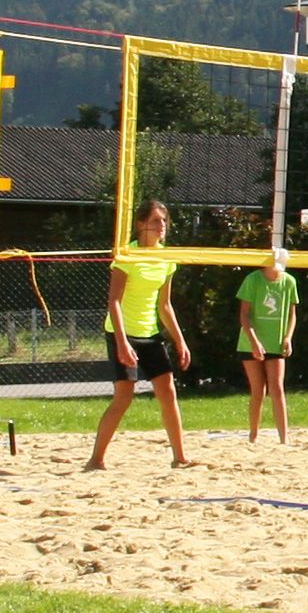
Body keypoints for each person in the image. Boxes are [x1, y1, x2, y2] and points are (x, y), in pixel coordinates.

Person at [84, 199, 193, 470]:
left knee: (168, 391)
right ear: (141, 224)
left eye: (164, 221)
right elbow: (114, 302)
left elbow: (165, 305)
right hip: (122, 331)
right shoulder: (128, 255)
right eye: (156, 221)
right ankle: (96, 460)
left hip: (150, 332)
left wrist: (180, 340)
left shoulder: (165, 257)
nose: (162, 226)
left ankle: (180, 457)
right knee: (124, 396)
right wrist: (122, 343)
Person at [237, 247, 299, 445]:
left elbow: (292, 314)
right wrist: (254, 341)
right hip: (251, 342)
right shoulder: (253, 280)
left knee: (277, 388)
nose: (276, 271)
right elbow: (244, 315)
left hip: (276, 342)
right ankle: (253, 435)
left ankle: (284, 437)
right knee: (258, 390)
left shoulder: (289, 282)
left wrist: (288, 337)